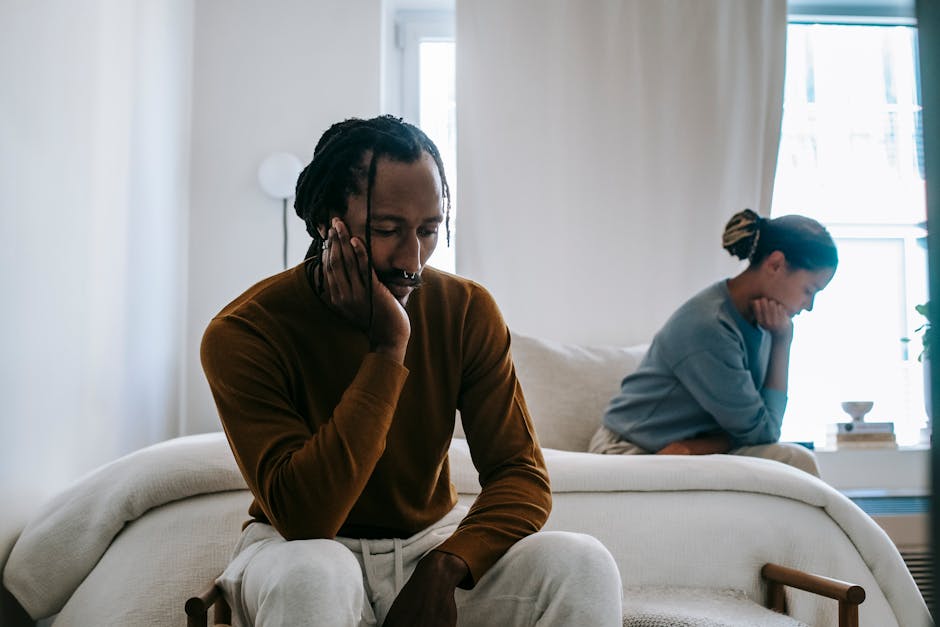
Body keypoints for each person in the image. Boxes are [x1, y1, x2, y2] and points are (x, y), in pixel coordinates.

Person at [201, 115, 623, 627]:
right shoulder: (245, 332)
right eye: (387, 230)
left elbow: (521, 476)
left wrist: (446, 566)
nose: (412, 259)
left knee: (584, 563)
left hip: (427, 545)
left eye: (429, 230)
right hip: (295, 551)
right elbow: (307, 517)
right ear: (328, 224)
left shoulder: (466, 310)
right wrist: (389, 345)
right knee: (315, 574)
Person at [589, 209, 838, 476]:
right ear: (775, 264)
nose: (809, 306)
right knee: (789, 460)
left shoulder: (766, 321)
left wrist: (704, 445)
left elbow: (762, 431)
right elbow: (762, 432)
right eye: (809, 290)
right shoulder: (709, 326)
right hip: (630, 451)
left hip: (685, 450)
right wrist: (782, 343)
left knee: (792, 461)